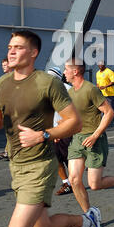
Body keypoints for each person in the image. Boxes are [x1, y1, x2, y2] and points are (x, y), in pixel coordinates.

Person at [0, 30, 104, 227]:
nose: (12, 51)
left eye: (18, 47)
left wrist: (43, 136)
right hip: (17, 165)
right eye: (10, 48)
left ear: (34, 53)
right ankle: (86, 221)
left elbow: (75, 122)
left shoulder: (47, 84)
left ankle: (87, 220)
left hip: (40, 165)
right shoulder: (2, 84)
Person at [64, 58, 114, 219]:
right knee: (73, 179)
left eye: (66, 69)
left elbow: (109, 113)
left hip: (95, 140)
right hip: (77, 140)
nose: (64, 72)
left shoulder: (91, 89)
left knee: (94, 184)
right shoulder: (70, 92)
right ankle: (89, 215)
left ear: (75, 71)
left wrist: (95, 135)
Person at [47, 66, 73, 196]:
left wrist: (61, 128)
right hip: (52, 131)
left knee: (69, 158)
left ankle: (74, 181)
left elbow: (75, 111)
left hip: (67, 130)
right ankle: (66, 182)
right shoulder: (46, 92)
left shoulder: (68, 90)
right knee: (55, 158)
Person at [0, 58, 12, 160]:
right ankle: (8, 151)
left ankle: (8, 152)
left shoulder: (14, 77)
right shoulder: (4, 78)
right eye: (2, 66)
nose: (3, 67)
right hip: (6, 108)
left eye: (5, 65)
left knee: (11, 131)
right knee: (9, 132)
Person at [96, 60, 114, 129]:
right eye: (99, 64)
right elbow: (98, 82)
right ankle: (103, 124)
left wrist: (105, 86)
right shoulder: (98, 73)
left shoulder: (109, 72)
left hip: (109, 94)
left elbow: (113, 81)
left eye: (101, 64)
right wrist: (98, 86)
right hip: (101, 94)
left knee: (113, 109)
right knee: (102, 110)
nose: (100, 66)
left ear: (104, 64)